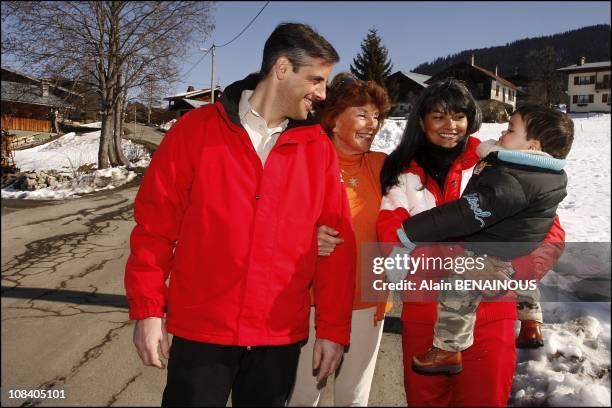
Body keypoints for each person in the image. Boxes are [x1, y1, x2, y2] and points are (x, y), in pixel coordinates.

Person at [124, 23, 356, 407]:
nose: (322, 93)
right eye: (316, 79)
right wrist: (148, 310)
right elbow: (154, 228)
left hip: (277, 338)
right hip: (202, 332)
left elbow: (337, 246)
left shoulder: (318, 149)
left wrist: (332, 330)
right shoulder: (195, 131)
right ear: (282, 69)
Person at [377, 78, 566, 406]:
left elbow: (548, 234)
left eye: (459, 116)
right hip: (424, 317)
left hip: (491, 315)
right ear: (421, 120)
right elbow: (390, 238)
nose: (450, 126)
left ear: (470, 120)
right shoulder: (402, 173)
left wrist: (513, 266)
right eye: (438, 116)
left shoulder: (499, 163)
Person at [288, 73, 391, 406]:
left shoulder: (381, 167)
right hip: (314, 301)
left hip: (367, 300)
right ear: (332, 119)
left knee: (353, 398)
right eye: (362, 114)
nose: (372, 124)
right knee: (303, 395)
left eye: (376, 116)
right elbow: (269, 221)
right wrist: (304, 238)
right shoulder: (302, 162)